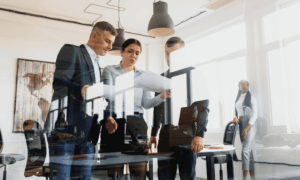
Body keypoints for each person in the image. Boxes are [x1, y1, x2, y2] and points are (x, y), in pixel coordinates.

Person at [49, 21, 118, 180]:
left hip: (89, 135)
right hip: (67, 133)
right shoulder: (72, 51)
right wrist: (80, 89)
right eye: (107, 41)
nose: (109, 47)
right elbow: (59, 84)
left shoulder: (97, 64)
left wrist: (106, 116)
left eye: (112, 43)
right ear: (95, 35)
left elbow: (95, 98)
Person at [102, 38, 170, 180]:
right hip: (115, 121)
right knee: (114, 171)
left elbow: (145, 103)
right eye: (130, 51)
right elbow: (109, 95)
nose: (134, 56)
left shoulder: (143, 76)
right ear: (121, 52)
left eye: (137, 53)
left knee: (139, 170)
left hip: (137, 123)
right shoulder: (110, 70)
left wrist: (162, 97)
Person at [148, 37, 209, 180]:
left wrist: (200, 134)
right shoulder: (161, 78)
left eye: (173, 54)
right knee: (164, 177)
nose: (169, 58)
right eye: (167, 54)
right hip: (165, 135)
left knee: (187, 176)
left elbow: (203, 108)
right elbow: (158, 108)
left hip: (187, 133)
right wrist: (153, 133)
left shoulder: (196, 75)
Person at [233, 80, 258, 180]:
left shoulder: (252, 98)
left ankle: (244, 179)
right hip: (241, 124)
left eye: (247, 84)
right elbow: (237, 112)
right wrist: (235, 117)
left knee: (245, 151)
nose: (245, 86)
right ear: (239, 87)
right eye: (242, 85)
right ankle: (253, 178)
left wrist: (246, 129)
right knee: (249, 152)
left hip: (250, 125)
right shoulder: (238, 99)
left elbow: (255, 115)